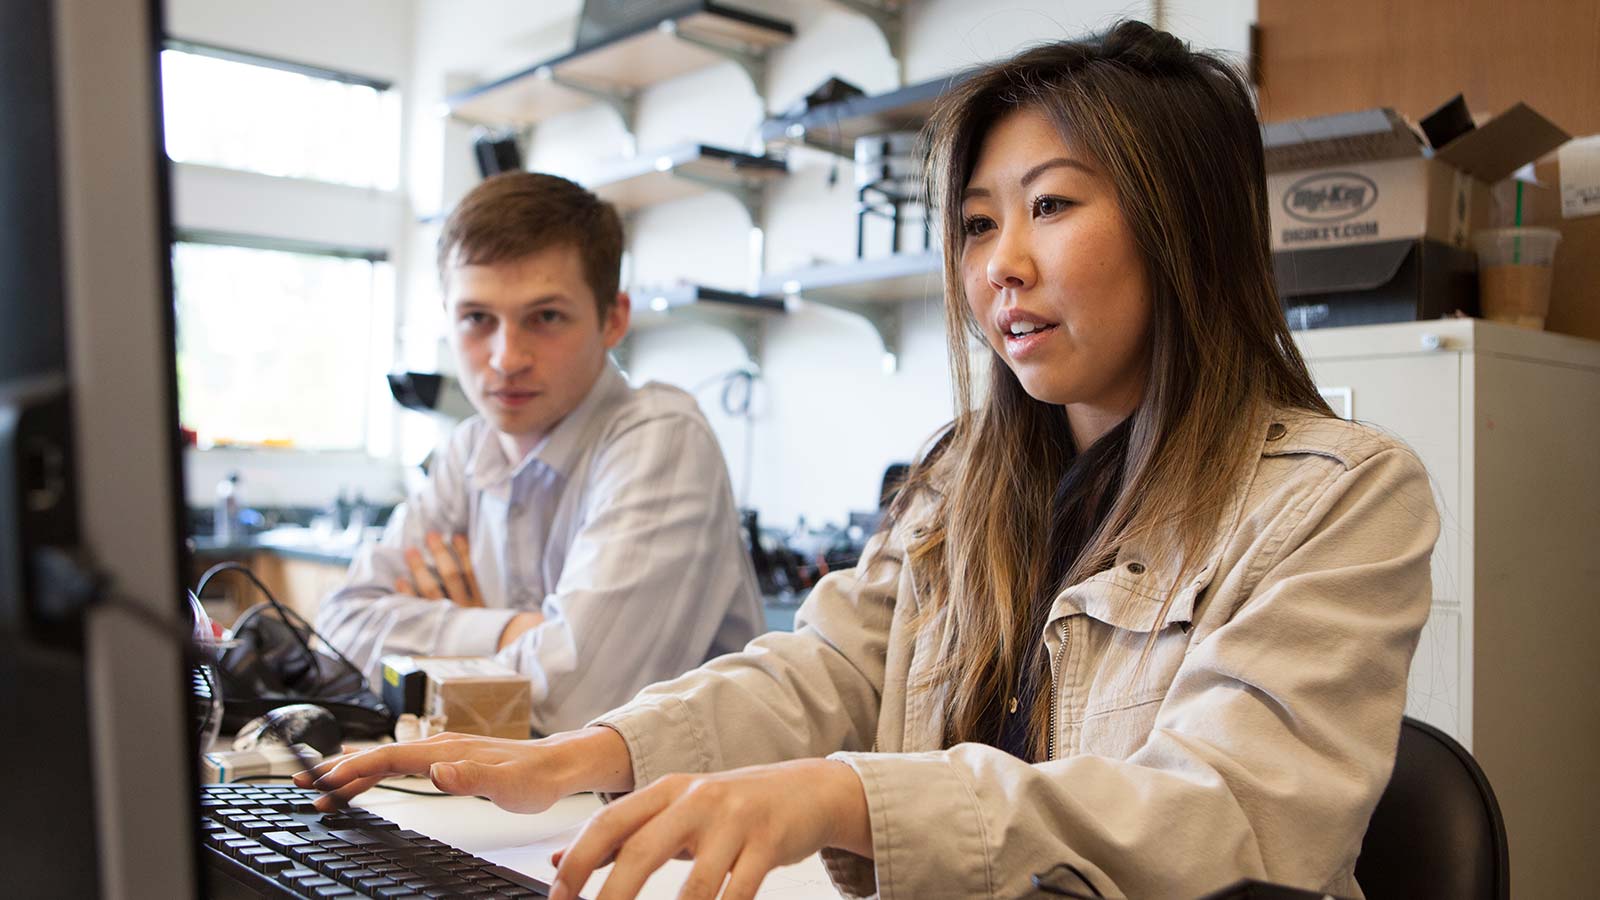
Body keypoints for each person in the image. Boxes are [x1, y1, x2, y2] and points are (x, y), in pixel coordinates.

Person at [300, 22, 1439, 899]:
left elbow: (1226, 818)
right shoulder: (962, 481)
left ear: (1178, 224)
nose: (1000, 265)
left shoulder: (1335, 496)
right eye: (978, 224)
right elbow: (824, 671)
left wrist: (846, 792)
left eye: (1049, 207)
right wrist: (585, 754)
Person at [315, 172, 763, 736]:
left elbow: (574, 704)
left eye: (546, 317)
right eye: (478, 319)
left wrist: (439, 642)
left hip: (658, 811)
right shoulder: (467, 450)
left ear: (613, 319)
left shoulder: (662, 439)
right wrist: (506, 631)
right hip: (508, 801)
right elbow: (336, 631)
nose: (506, 358)